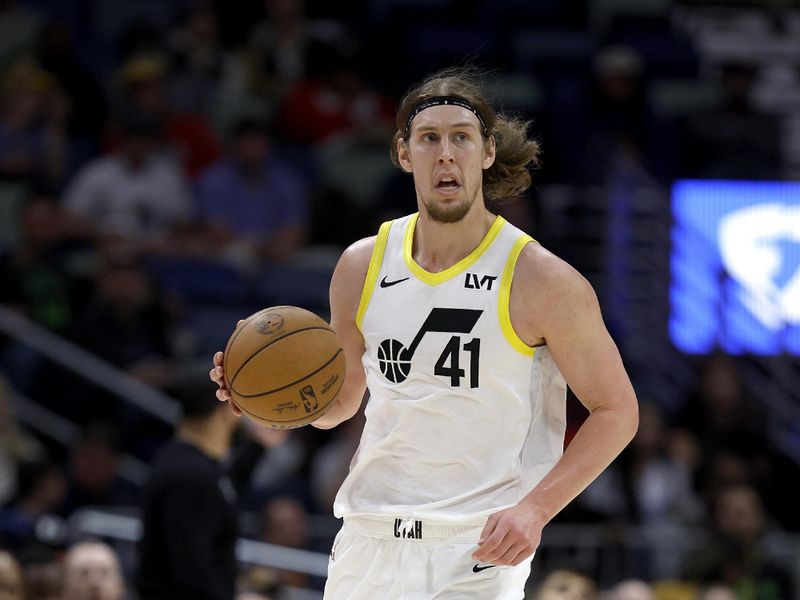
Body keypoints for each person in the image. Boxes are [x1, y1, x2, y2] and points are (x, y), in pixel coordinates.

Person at [211, 67, 639, 599]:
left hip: (477, 546)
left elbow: (617, 411)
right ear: (402, 153)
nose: (445, 153)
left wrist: (537, 507)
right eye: (428, 138)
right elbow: (340, 402)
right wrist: (263, 396)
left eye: (461, 137)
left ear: (486, 153)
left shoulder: (543, 279)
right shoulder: (360, 265)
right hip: (368, 537)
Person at [136, 379, 286, 600]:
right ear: (225, 410)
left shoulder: (187, 465)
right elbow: (192, 569)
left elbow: (223, 492)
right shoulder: (189, 477)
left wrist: (258, 444)